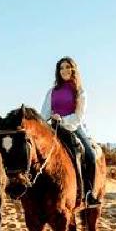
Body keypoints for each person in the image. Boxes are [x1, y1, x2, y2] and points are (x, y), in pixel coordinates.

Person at [41, 57, 100, 208]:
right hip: (54, 128)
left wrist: (62, 120)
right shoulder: (52, 92)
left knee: (90, 155)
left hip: (74, 128)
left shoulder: (80, 91)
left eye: (68, 67)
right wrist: (48, 121)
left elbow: (78, 116)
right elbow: (44, 114)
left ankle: (89, 194)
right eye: (61, 68)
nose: (64, 70)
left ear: (73, 69)